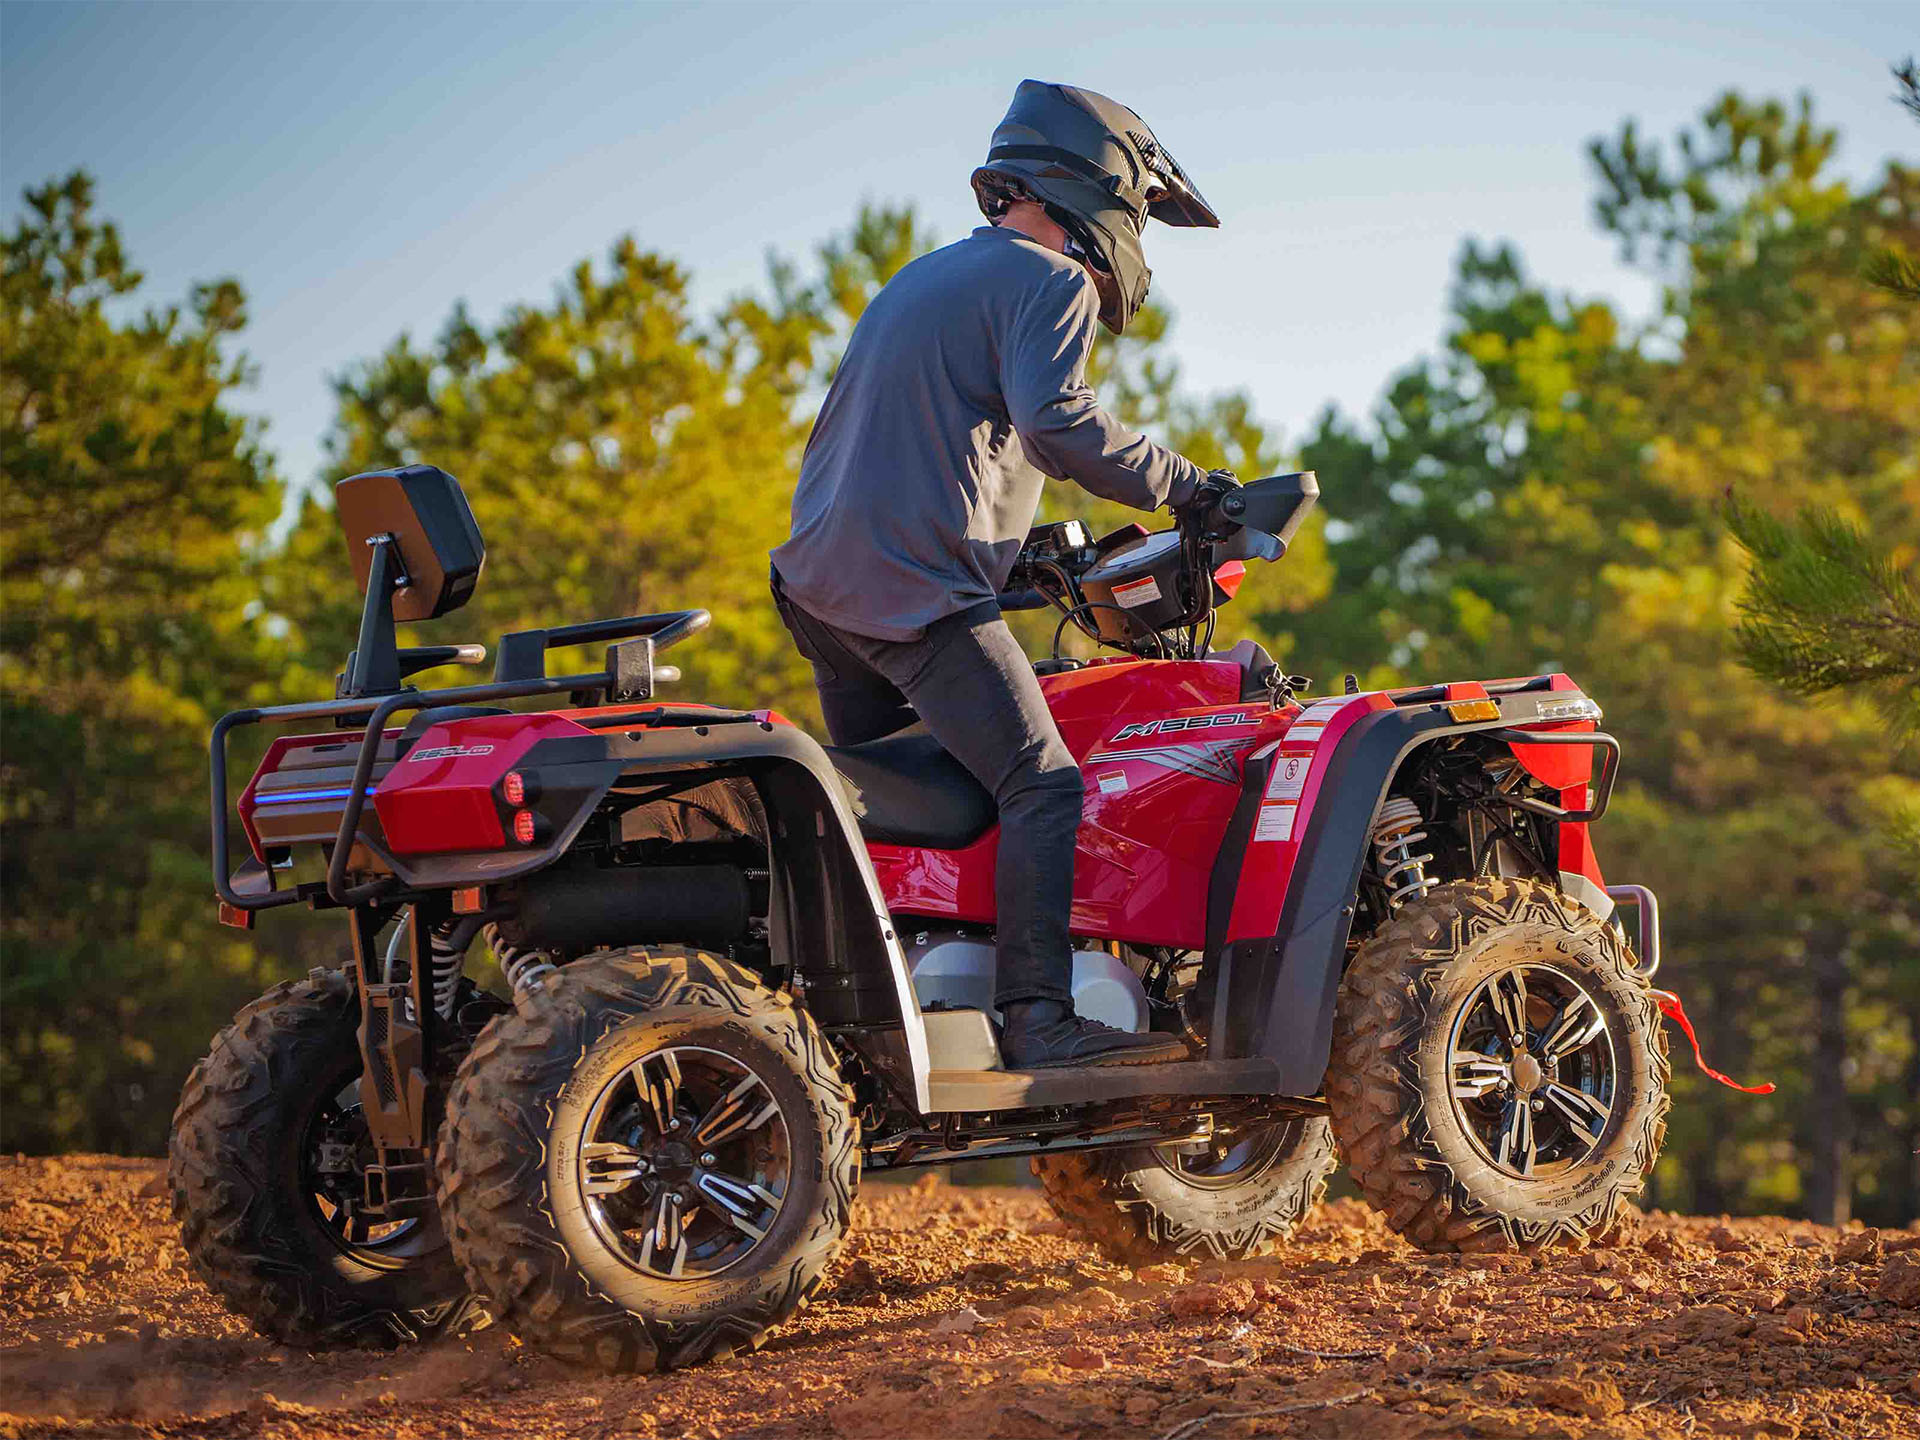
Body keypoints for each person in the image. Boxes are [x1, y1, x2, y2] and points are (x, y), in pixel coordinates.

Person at [770, 79, 1225, 1068]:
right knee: (1044, 787)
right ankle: (1038, 1018)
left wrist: (1018, 562)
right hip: (912, 599)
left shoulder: (924, 278)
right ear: (1101, 188)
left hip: (824, 594)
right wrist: (1193, 492)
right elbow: (1059, 422)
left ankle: (890, 1014)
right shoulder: (1047, 278)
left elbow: (907, 446)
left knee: (915, 804)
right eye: (1140, 208)